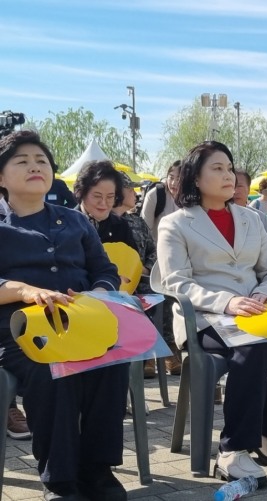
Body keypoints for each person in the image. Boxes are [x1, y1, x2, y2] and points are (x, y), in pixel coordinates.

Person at [157, 140, 267, 485]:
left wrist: (262, 293)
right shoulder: (176, 224)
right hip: (206, 317)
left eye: (229, 168)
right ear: (195, 178)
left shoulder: (251, 219)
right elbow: (176, 283)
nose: (228, 176)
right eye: (217, 168)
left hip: (256, 311)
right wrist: (227, 302)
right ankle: (233, 450)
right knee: (254, 349)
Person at [0, 130, 128, 500]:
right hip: (19, 329)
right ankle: (60, 480)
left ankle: (97, 470)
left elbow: (105, 271)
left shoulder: (75, 222)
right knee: (52, 369)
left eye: (41, 161)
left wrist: (98, 293)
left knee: (111, 360)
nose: (35, 167)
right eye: (21, 161)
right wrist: (24, 291)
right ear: (1, 176)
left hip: (80, 321)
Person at [112, 172, 182, 378]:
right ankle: (146, 356)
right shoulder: (98, 222)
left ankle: (165, 350)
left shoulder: (137, 222)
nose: (135, 193)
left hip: (142, 281)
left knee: (166, 295)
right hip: (115, 286)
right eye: (129, 189)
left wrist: (146, 268)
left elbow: (154, 250)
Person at [73, 160, 137, 251]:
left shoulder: (121, 226)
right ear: (81, 193)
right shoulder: (67, 224)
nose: (103, 203)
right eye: (97, 196)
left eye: (110, 197)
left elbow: (132, 261)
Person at [141, 160, 181, 242]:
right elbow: (145, 230)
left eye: (179, 179)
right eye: (171, 177)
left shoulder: (191, 199)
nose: (174, 183)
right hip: (157, 250)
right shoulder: (155, 195)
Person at [234, 170, 267, 235]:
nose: (235, 191)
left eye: (239, 186)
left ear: (248, 189)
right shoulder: (219, 216)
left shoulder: (260, 217)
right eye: (232, 186)